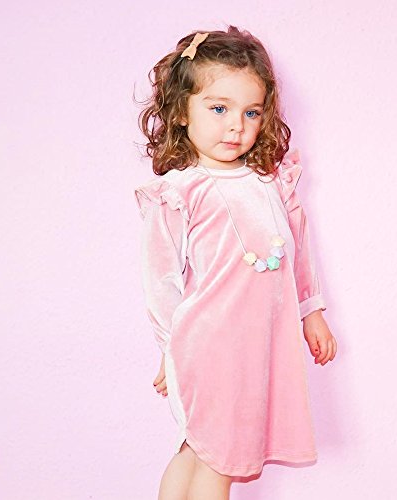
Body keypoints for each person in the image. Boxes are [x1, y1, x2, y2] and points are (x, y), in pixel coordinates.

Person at [133, 25, 338, 500]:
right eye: (218, 108)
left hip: (257, 345)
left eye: (251, 112)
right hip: (207, 343)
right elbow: (159, 278)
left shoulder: (271, 182)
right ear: (181, 110)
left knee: (199, 451)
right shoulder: (180, 190)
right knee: (218, 458)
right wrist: (171, 348)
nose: (236, 126)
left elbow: (298, 248)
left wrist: (312, 311)